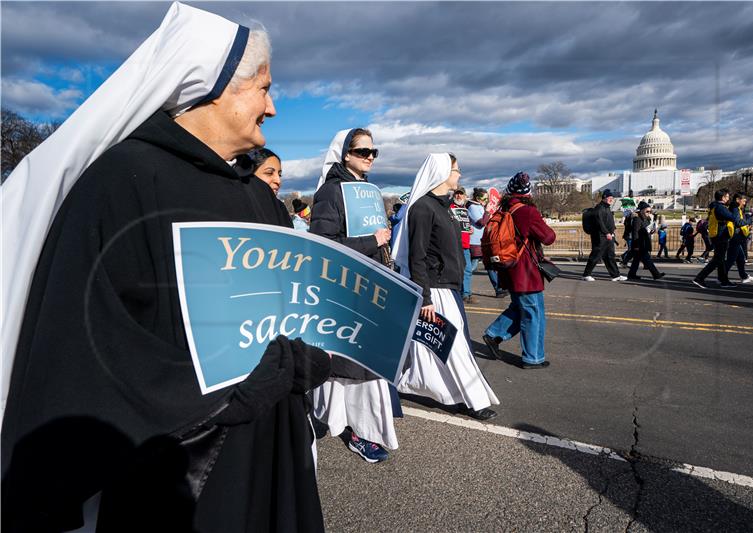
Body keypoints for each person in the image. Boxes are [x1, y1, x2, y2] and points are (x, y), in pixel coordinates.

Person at [1, 4, 330, 532]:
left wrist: (309, 354)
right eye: (263, 88)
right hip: (180, 458)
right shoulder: (122, 180)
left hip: (271, 439)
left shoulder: (257, 194)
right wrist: (226, 390)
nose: (272, 108)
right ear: (216, 86)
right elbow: (86, 338)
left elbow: (290, 303)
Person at [309, 129, 397, 464]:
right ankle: (360, 431)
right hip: (347, 289)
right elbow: (323, 245)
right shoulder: (331, 192)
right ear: (345, 154)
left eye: (374, 151)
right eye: (363, 151)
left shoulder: (367, 190)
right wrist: (371, 242)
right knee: (356, 366)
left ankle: (329, 418)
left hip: (370, 284)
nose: (370, 156)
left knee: (359, 363)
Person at [392, 153, 499, 421]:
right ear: (441, 172)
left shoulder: (444, 206)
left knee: (446, 345)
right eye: (456, 170)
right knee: (454, 346)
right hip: (434, 289)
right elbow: (417, 256)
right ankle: (473, 400)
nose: (459, 174)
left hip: (448, 287)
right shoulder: (422, 208)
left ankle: (453, 394)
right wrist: (425, 297)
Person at [482, 172, 556, 369]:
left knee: (519, 307)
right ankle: (532, 358)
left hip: (509, 268)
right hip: (526, 271)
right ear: (527, 192)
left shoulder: (505, 208)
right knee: (533, 313)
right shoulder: (527, 212)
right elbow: (549, 237)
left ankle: (493, 334)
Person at [692, 188, 746, 289]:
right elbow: (734, 218)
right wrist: (735, 208)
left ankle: (724, 281)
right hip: (720, 236)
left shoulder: (715, 206)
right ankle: (699, 278)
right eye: (727, 197)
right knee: (717, 260)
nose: (728, 198)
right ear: (723, 197)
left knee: (720, 259)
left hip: (717, 235)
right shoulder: (720, 208)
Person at [467, 187, 505, 298]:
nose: (485, 201)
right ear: (477, 198)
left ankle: (499, 288)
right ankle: (462, 289)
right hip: (475, 242)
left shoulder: (480, 207)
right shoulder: (472, 207)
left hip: (483, 241)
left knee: (490, 265)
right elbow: (481, 222)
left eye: (486, 198)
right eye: (483, 198)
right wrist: (487, 212)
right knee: (471, 268)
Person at [582, 189, 625, 281]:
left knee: (610, 256)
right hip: (600, 236)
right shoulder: (599, 208)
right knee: (595, 255)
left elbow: (608, 222)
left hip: (608, 236)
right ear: (604, 198)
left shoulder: (607, 207)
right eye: (610, 198)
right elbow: (599, 223)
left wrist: (612, 232)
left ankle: (615, 275)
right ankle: (586, 275)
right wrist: (607, 233)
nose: (611, 200)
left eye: (612, 198)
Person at [723, 193, 753, 284]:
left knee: (740, 258)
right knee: (731, 259)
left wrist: (749, 218)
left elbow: (739, 219)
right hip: (735, 237)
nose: (745, 202)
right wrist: (751, 220)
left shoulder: (736, 208)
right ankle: (722, 278)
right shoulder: (735, 208)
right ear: (738, 200)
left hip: (736, 236)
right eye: (743, 200)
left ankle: (744, 276)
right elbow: (738, 222)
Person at [626, 202, 666, 281]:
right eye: (647, 211)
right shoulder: (637, 219)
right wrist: (636, 245)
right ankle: (656, 275)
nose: (649, 213)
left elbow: (646, 229)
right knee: (647, 259)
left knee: (636, 260)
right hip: (640, 244)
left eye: (650, 211)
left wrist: (651, 231)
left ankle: (631, 274)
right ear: (641, 211)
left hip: (644, 242)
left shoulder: (646, 219)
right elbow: (635, 232)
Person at [451, 186, 475, 302]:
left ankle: (466, 293)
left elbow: (466, 225)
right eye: (456, 194)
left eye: (461, 194)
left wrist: (470, 229)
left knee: (468, 269)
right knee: (457, 269)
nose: (458, 196)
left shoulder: (465, 209)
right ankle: (461, 293)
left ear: (465, 196)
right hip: (454, 244)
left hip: (465, 244)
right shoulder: (449, 208)